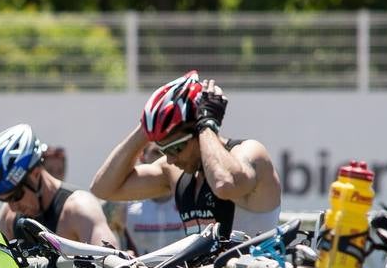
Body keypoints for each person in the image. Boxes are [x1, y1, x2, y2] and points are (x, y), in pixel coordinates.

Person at [89, 71, 282, 236]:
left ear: (198, 130)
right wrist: (144, 129)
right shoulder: (175, 172)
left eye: (176, 148)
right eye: (164, 150)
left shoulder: (250, 152)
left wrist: (207, 125)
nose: (171, 159)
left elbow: (224, 185)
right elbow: (103, 189)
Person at [0, 123, 117, 248]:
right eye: (4, 199)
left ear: (35, 174)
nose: (13, 207)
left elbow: (110, 258)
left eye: (15, 195)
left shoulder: (78, 208)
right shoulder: (8, 215)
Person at [120, 142, 186, 255]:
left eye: (169, 150)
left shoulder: (190, 196)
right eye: (157, 152)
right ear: (142, 157)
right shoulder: (124, 204)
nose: (164, 158)